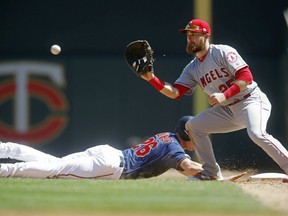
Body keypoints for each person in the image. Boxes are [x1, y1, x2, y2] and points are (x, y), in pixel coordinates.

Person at [140, 19, 288, 180]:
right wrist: (151, 78)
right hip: (228, 110)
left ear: (206, 35)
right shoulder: (192, 68)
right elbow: (175, 92)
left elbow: (246, 76)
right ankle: (211, 173)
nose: (189, 38)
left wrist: (225, 95)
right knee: (193, 126)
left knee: (257, 134)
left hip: (251, 100)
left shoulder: (222, 52)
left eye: (194, 34)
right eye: (188, 34)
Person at [0, 116, 204, 179]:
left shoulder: (167, 136)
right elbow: (188, 167)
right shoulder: (175, 148)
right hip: (111, 166)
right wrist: (212, 173)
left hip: (108, 153)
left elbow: (184, 167)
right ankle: (4, 170)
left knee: (54, 163)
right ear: (187, 133)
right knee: (55, 170)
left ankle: (5, 148)